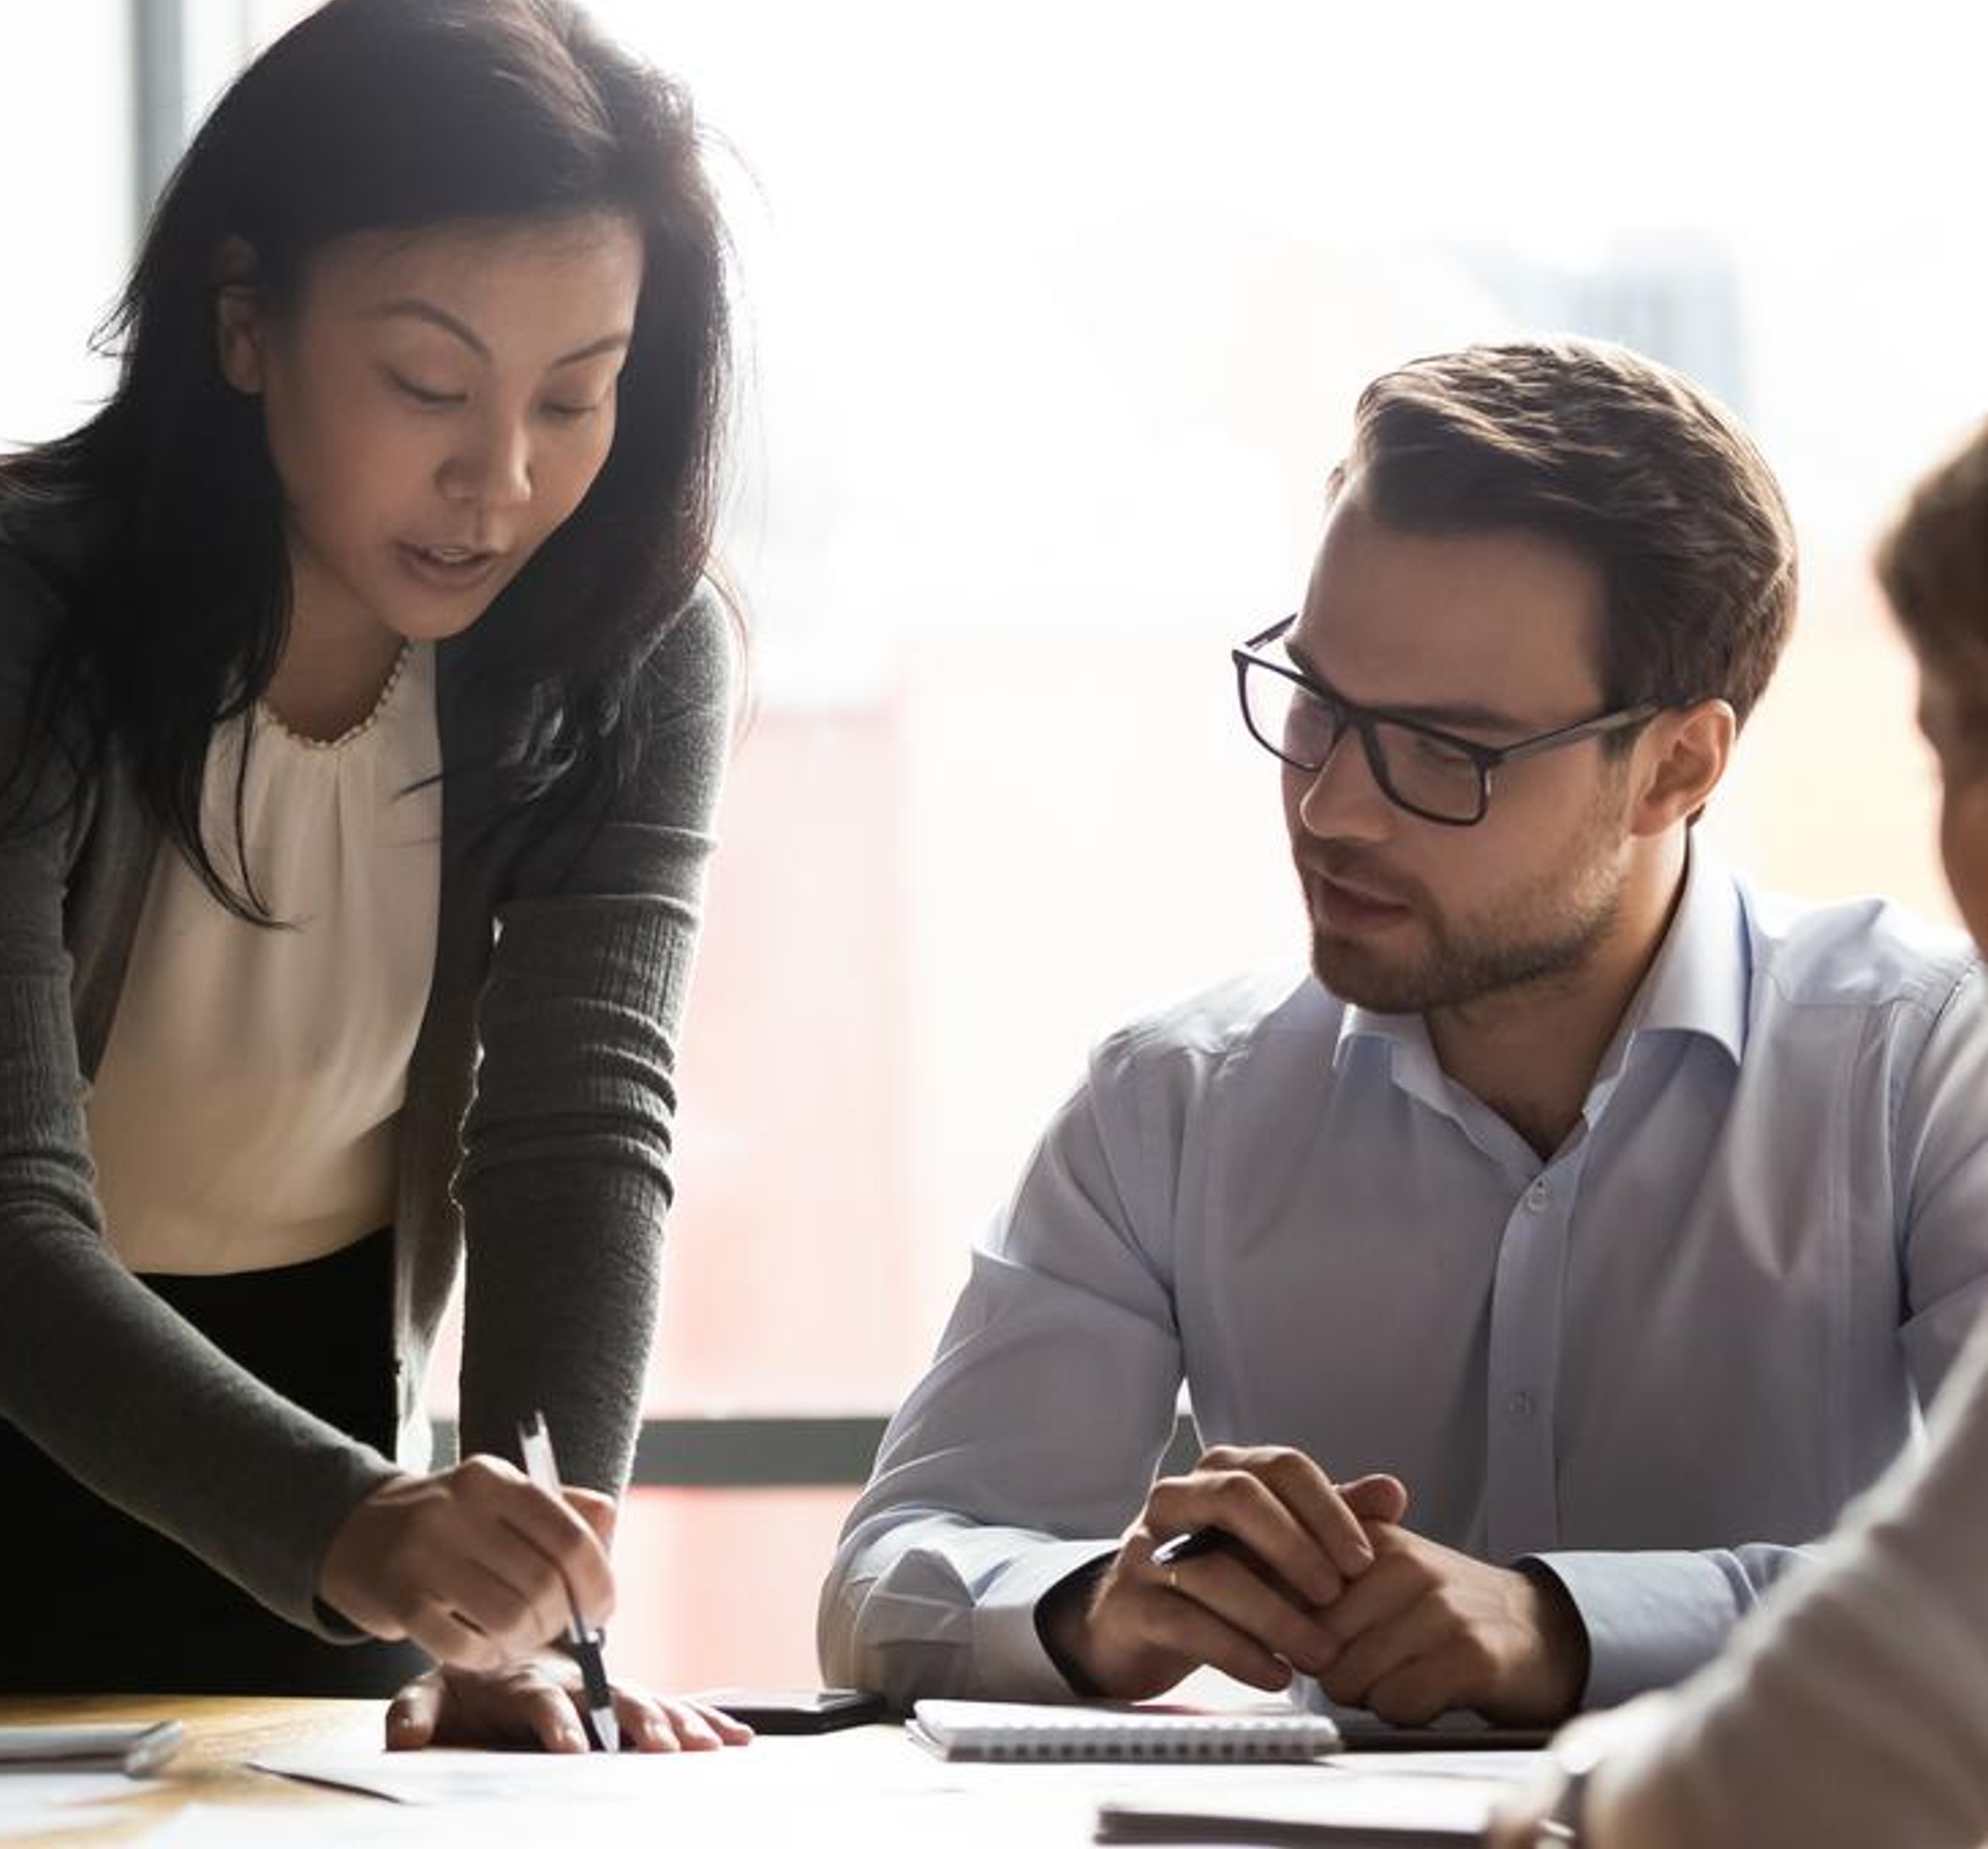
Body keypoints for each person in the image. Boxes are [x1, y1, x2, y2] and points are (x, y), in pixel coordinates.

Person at [0, 0, 745, 1753]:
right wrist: (355, 1522)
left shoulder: (628, 652)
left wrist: (520, 1606)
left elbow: (578, 1135)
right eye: (428, 382)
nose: (501, 478)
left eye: (577, 398)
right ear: (245, 322)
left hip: (308, 1484)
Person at [821, 339, 1988, 1731]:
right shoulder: (1174, 1104)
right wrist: (1094, 1604)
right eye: (1319, 705)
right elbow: (886, 1580)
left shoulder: (1925, 1070)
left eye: (1446, 750)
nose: (1331, 811)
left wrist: (1567, 1623)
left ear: (1677, 766)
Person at [1488, 420, 1988, 1847]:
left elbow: (1783, 1771)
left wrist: (1565, 1676)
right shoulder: (1174, 1081)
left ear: (1677, 769)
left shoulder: (1916, 1041)